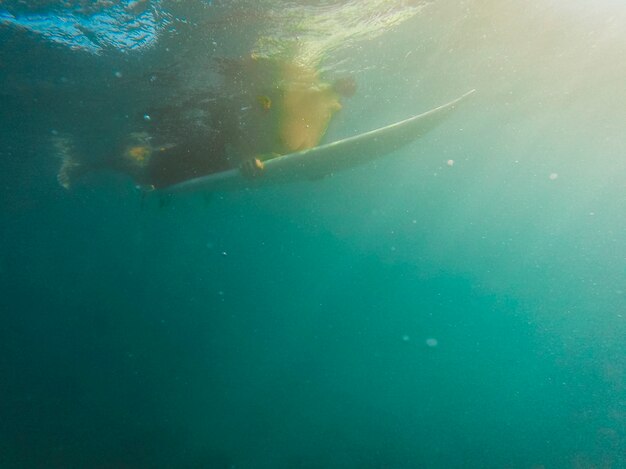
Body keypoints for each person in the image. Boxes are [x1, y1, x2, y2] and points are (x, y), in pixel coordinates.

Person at [57, 56, 356, 189]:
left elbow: (301, 159)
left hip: (224, 161)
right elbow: (252, 118)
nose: (340, 96)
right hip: (217, 146)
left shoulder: (325, 113)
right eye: (341, 87)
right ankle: (86, 166)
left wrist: (313, 169)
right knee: (152, 165)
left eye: (343, 93)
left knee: (159, 172)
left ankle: (122, 172)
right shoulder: (293, 88)